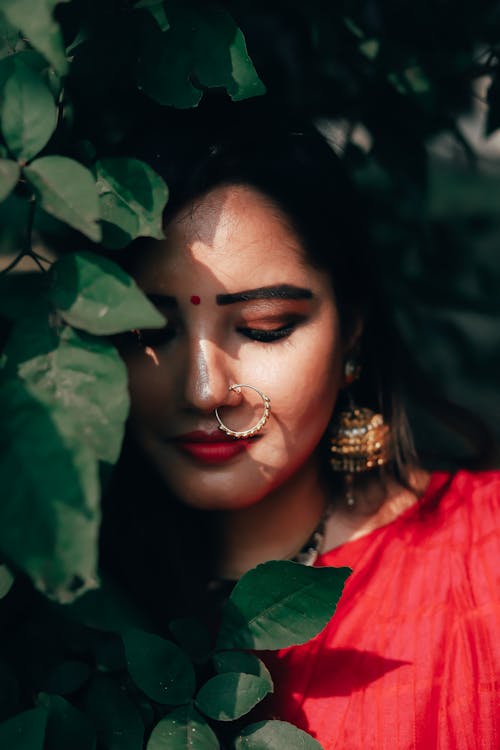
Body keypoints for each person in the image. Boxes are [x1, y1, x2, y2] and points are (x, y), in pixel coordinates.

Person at [102, 117, 500, 749]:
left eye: (264, 326)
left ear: (352, 333)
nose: (203, 390)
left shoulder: (486, 561)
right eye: (147, 333)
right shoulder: (62, 604)